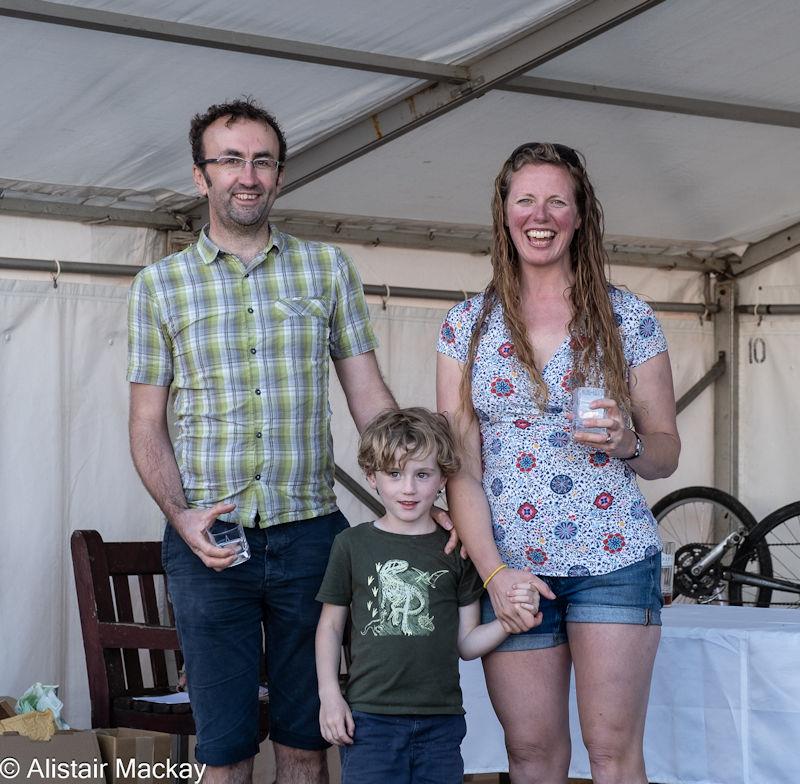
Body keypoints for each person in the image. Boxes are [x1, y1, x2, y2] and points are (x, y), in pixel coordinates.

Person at [127, 98, 453, 784]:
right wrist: (181, 516)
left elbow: (369, 397)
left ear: (279, 174)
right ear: (200, 176)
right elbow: (146, 423)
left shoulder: (326, 270)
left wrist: (424, 492)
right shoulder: (159, 286)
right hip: (209, 542)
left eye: (262, 161)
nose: (248, 176)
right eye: (231, 160)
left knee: (309, 740)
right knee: (223, 748)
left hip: (313, 538)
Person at [436, 143, 680, 784]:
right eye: (525, 199)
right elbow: (459, 462)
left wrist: (628, 441)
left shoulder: (626, 315)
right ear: (504, 213)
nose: (539, 214)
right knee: (533, 757)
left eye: (556, 201)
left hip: (614, 558)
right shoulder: (467, 323)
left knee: (613, 754)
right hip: (511, 566)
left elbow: (665, 450)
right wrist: (491, 574)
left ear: (580, 216)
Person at [315, 407, 540, 784]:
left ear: (442, 479)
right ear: (372, 476)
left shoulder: (457, 549)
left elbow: (467, 644)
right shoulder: (351, 544)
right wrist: (329, 696)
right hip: (369, 719)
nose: (408, 488)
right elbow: (330, 628)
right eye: (394, 474)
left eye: (422, 474)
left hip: (441, 721)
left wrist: (509, 619)